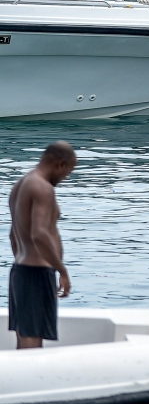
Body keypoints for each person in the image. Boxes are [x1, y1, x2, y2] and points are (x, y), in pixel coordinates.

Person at [8, 141, 76, 349]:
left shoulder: (21, 184)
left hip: (21, 271)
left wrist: (25, 261)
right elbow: (39, 233)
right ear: (60, 164)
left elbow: (13, 235)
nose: (64, 178)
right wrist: (61, 270)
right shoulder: (43, 188)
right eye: (67, 172)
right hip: (36, 273)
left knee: (25, 335)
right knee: (32, 340)